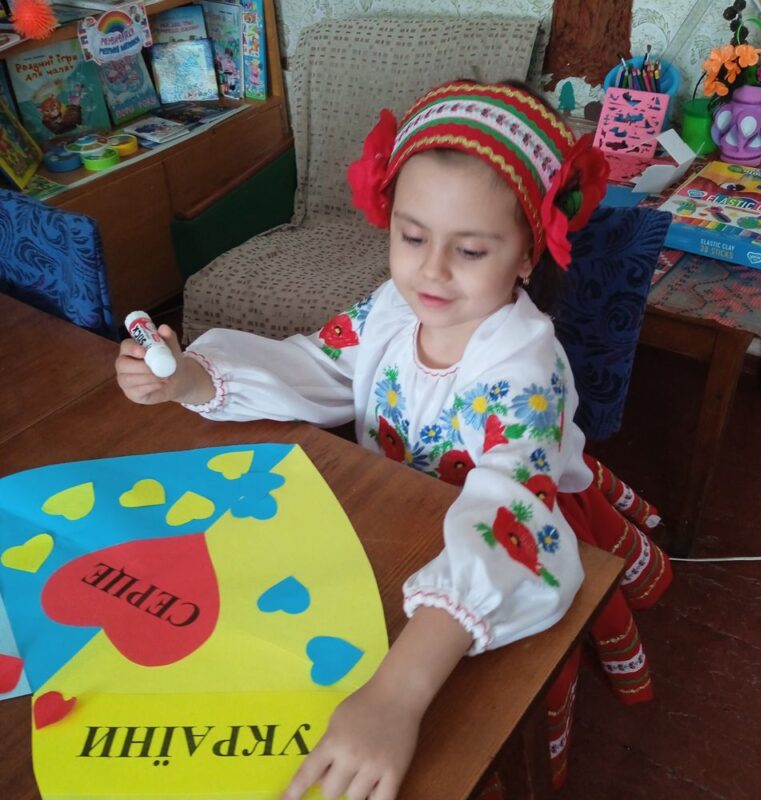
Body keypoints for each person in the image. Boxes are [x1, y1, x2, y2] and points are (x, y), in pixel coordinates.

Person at [116, 80, 670, 799]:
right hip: (398, 521)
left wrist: (398, 694)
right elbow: (319, 363)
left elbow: (511, 516)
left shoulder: (524, 368)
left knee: (483, 707)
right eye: (412, 237)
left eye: (470, 249)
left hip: (503, 544)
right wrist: (192, 378)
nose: (431, 271)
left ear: (527, 256)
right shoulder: (388, 309)